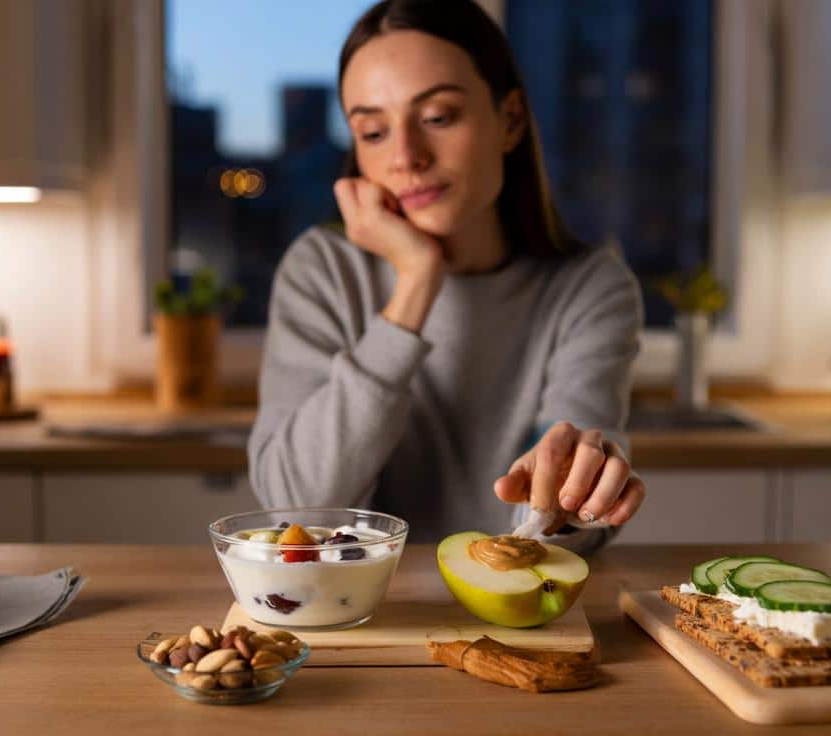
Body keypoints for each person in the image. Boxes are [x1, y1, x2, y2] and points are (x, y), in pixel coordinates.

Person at [247, 0, 645, 553]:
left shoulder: (589, 288)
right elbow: (295, 511)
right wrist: (415, 282)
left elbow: (560, 539)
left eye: (437, 118)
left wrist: (578, 492)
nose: (406, 157)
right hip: (360, 605)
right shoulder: (322, 272)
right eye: (373, 131)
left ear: (510, 120)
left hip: (517, 599)